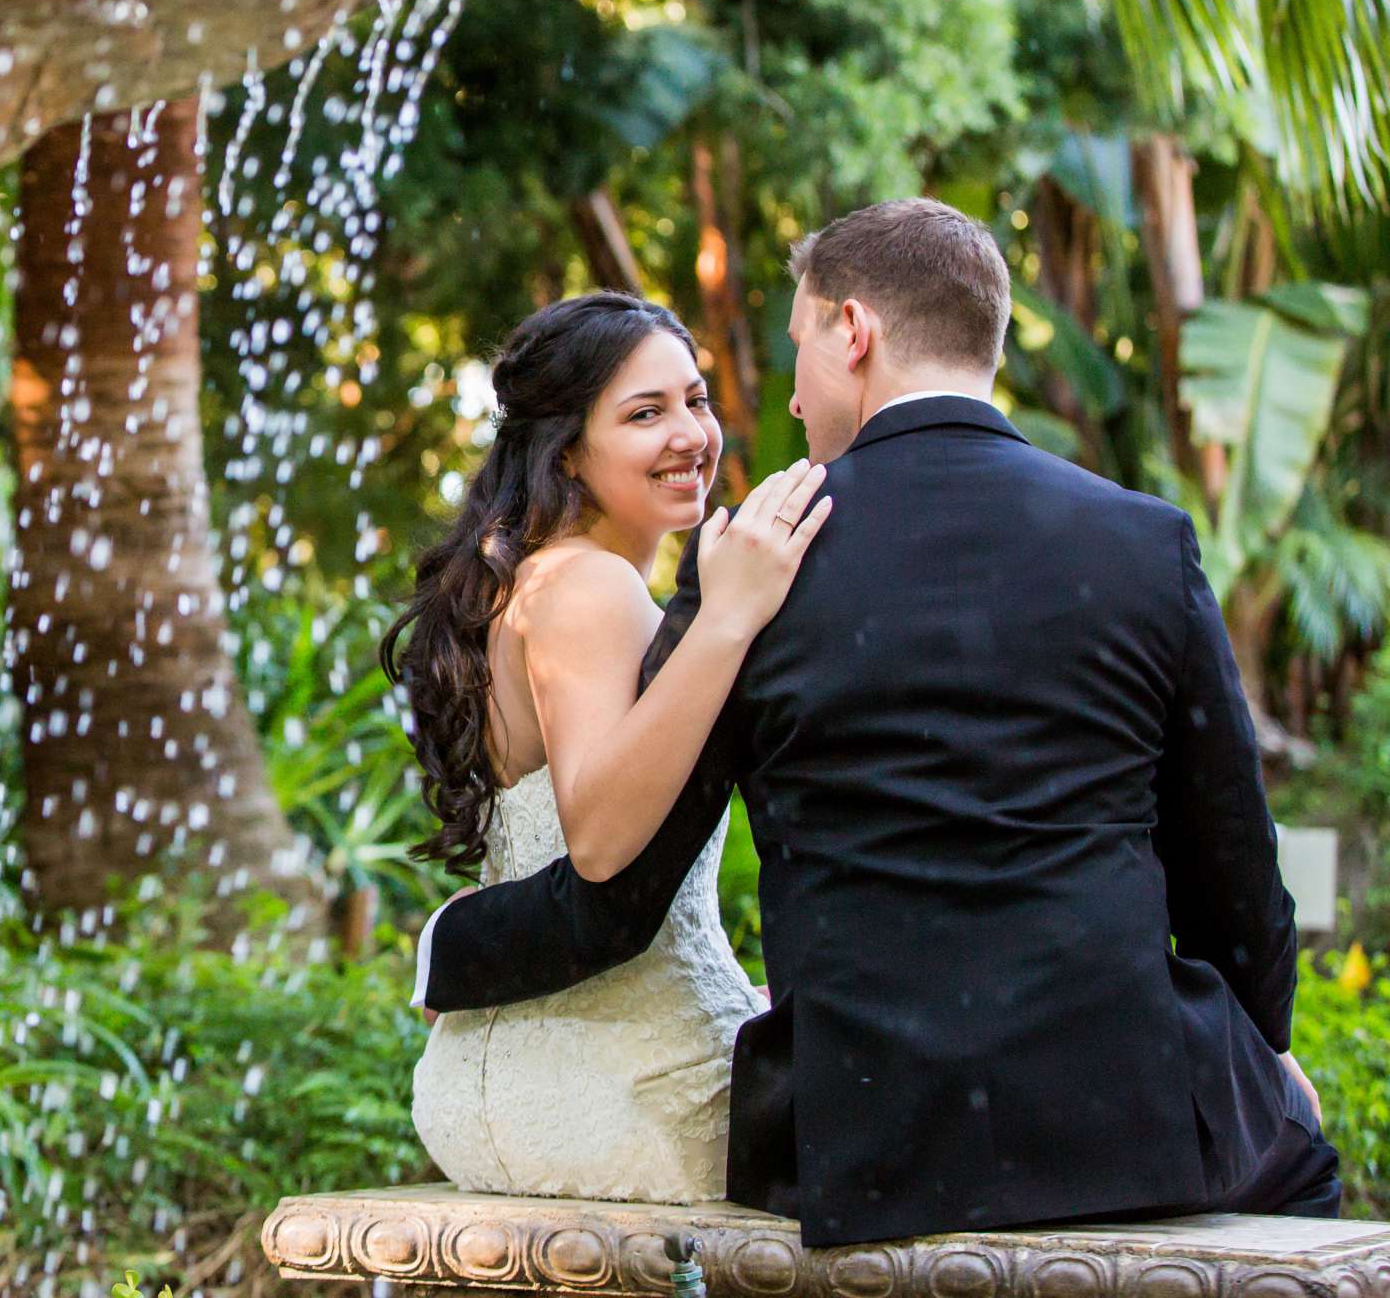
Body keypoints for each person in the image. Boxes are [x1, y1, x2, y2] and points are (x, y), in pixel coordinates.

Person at [409, 199, 1338, 1247]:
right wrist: (1265, 1046)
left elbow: (616, 896)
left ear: (853, 331)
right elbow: (1232, 863)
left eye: (797, 344)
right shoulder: (1142, 541)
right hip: (1126, 1110)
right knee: (1307, 1179)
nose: (795, 398)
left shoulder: (754, 564)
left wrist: (449, 947)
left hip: (866, 1134)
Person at [388, 292, 828, 1202]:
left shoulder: (528, 576)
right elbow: (597, 843)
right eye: (644, 413)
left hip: (490, 1084)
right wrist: (731, 616)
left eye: (695, 400)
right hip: (631, 1092)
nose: (691, 434)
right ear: (567, 450)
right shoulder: (590, 587)